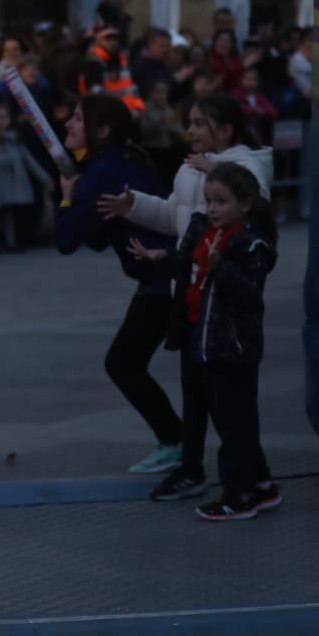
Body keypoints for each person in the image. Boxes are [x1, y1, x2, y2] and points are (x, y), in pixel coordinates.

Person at [95, 92, 273, 501]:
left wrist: (219, 170)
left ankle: (246, 483)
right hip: (191, 298)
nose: (189, 130)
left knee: (229, 405)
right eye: (189, 122)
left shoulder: (245, 167)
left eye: (198, 123)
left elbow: (257, 210)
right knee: (195, 395)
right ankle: (196, 469)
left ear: (225, 130)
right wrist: (134, 206)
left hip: (224, 307)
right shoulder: (191, 167)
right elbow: (177, 214)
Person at [129, 163, 280, 520]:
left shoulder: (250, 243)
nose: (211, 209)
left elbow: (249, 293)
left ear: (244, 205)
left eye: (220, 202)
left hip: (233, 346)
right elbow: (189, 265)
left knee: (234, 423)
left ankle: (239, 495)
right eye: (208, 201)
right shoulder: (204, 230)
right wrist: (163, 258)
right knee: (228, 417)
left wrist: (220, 267)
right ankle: (261, 485)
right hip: (202, 338)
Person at [53, 95, 183, 476]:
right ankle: (178, 442)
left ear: (103, 131)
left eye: (77, 118)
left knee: (123, 363)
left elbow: (66, 240)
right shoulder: (112, 166)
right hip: (165, 277)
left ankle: (176, 442)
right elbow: (96, 235)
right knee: (129, 362)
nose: (68, 124)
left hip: (165, 279)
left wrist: (65, 199)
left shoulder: (101, 172)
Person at [0, 103, 52, 254]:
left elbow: (28, 159)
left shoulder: (15, 139)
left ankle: (11, 242)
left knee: (9, 213)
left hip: (10, 183)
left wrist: (44, 177)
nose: (1, 121)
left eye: (4, 117)